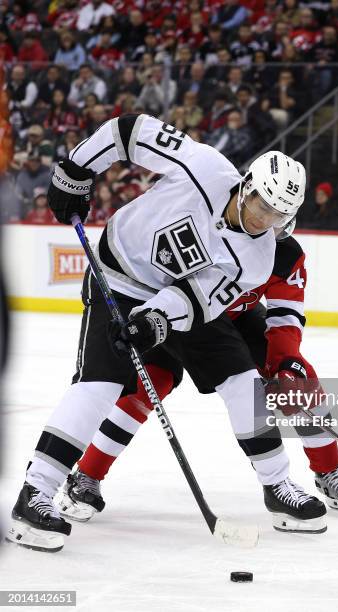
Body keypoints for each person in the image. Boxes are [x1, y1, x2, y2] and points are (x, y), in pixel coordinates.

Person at [6, 114, 314, 553]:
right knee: (100, 383)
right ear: (247, 186)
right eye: (263, 205)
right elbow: (129, 131)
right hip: (118, 277)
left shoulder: (259, 257)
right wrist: (77, 169)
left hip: (173, 299)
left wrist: (155, 319)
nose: (267, 220)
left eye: (280, 214)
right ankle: (36, 492)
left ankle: (278, 485)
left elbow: (198, 298)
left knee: (244, 382)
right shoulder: (204, 167)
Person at [57, 231, 338, 521]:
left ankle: (329, 471)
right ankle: (87, 473)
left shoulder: (287, 254)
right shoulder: (215, 231)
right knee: (149, 382)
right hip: (184, 314)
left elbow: (286, 316)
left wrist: (285, 361)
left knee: (299, 378)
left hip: (237, 318)